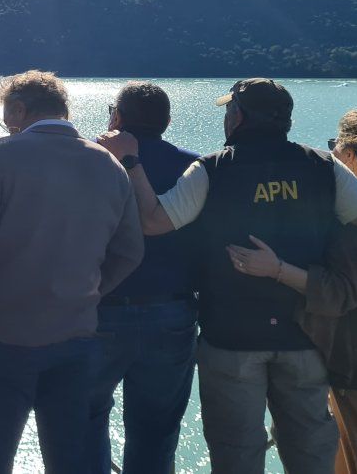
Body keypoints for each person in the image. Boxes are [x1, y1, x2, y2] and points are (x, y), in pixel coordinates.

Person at [98, 78, 357, 474]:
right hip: (304, 336)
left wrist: (132, 163)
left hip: (230, 339)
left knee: (236, 453)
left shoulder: (213, 168)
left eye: (228, 111)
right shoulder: (322, 166)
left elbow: (153, 221)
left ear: (237, 116)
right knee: (309, 455)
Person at [228, 110, 357, 474]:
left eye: (335, 147)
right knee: (342, 452)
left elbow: (340, 294)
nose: (332, 154)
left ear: (354, 156)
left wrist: (277, 269)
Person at [0, 70, 145, 473]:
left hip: (3, 332)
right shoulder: (109, 165)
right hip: (76, 336)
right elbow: (130, 251)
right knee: (70, 459)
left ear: (20, 110)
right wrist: (89, 293)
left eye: (7, 115)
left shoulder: (2, 155)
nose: (6, 125)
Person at [88, 82, 200, 474]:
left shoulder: (90, 163)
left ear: (116, 118)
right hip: (171, 311)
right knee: (156, 435)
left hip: (97, 310)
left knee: (84, 424)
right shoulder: (196, 166)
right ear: (167, 122)